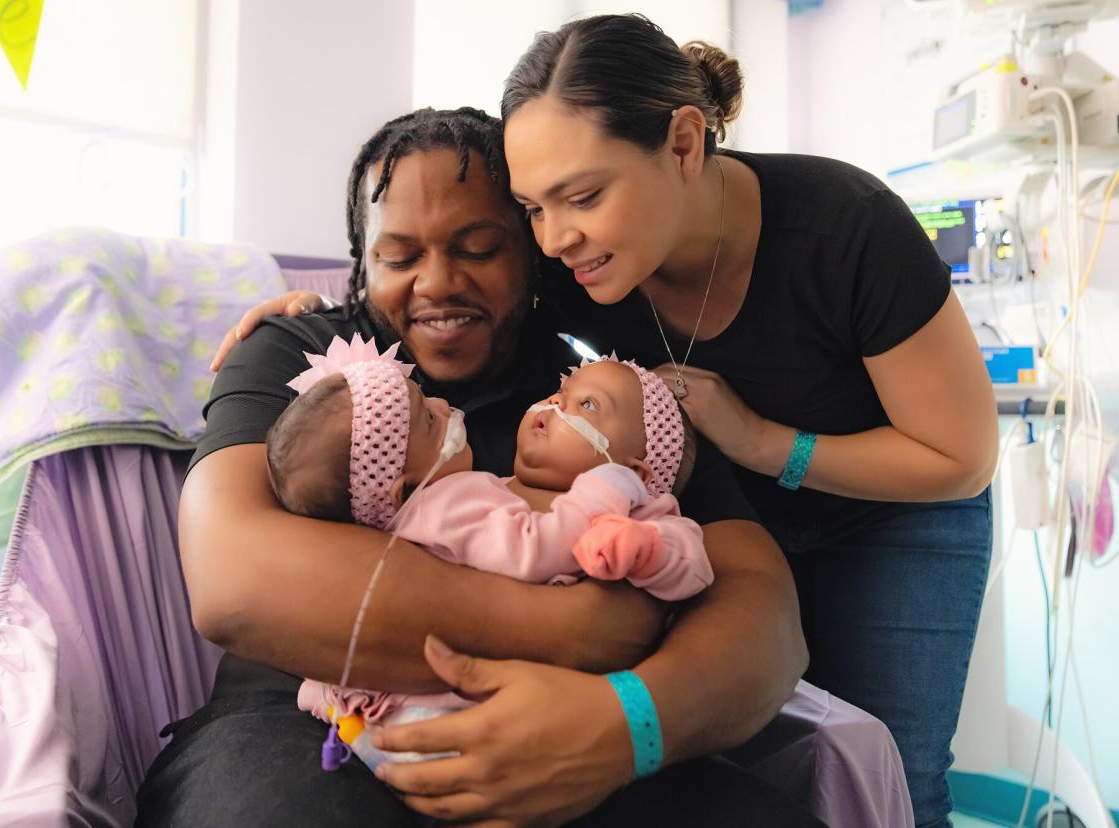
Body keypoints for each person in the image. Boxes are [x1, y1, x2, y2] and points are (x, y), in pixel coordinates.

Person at [136, 107, 818, 827]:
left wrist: (624, 727)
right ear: (362, 264)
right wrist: (569, 631)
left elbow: (766, 618)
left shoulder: (598, 396)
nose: (437, 283)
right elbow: (235, 581)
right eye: (399, 257)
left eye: (479, 247)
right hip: (316, 725)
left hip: (577, 724)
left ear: (532, 252)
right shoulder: (302, 359)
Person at [498, 15, 997, 828]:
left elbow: (960, 456)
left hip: (896, 518)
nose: (556, 238)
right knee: (755, 770)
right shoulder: (569, 262)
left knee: (892, 773)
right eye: (534, 207)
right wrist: (310, 320)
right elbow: (455, 295)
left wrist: (758, 440)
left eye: (584, 196)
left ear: (686, 143)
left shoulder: (846, 227)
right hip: (741, 521)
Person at [272, 341, 713, 772]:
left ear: (634, 471)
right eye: (559, 392)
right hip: (440, 707)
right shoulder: (473, 495)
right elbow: (530, 547)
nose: (553, 404)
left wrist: (649, 550)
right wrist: (601, 492)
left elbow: (694, 566)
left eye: (588, 405)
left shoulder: (637, 509)